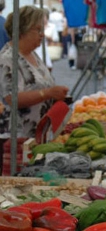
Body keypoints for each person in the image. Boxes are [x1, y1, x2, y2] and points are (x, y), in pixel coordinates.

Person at [0, 6, 69, 173]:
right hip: (17, 139)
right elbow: (11, 98)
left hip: (36, 137)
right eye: (37, 30)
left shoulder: (33, 55)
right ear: (21, 30)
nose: (42, 35)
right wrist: (48, 93)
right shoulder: (8, 59)